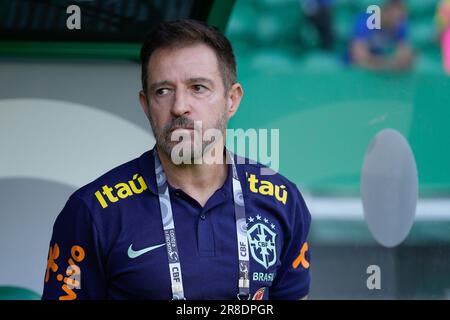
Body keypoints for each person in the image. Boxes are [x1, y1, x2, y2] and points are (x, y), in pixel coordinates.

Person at [41, 19, 312, 300]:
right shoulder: (93, 211)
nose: (180, 106)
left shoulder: (282, 199)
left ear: (232, 100)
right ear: (146, 105)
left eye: (198, 87)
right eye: (163, 91)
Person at [347, 0, 414, 71]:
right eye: (394, 17)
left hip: (380, 66)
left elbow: (406, 59)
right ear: (385, 12)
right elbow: (358, 57)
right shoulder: (367, 21)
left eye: (401, 19)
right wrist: (388, 64)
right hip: (352, 68)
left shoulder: (400, 25)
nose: (398, 23)